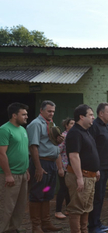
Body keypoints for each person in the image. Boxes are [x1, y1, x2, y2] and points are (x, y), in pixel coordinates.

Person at [27, 100, 63, 232]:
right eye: (49, 111)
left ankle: (46, 222)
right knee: (37, 194)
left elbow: (53, 144)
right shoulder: (35, 124)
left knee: (47, 193)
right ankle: (36, 226)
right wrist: (38, 167)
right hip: (41, 163)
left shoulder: (51, 124)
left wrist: (58, 141)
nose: (51, 113)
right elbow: (33, 147)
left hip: (51, 163)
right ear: (41, 111)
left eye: (53, 111)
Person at [65, 104, 100, 232]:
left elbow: (90, 152)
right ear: (81, 117)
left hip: (90, 176)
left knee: (86, 207)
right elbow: (74, 156)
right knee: (77, 208)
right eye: (90, 115)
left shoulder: (86, 132)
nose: (93, 117)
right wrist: (79, 177)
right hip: (80, 176)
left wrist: (95, 169)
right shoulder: (74, 133)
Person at [0, 103, 30, 233]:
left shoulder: (23, 130)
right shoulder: (4, 130)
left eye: (26, 114)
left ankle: (13, 229)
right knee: (6, 206)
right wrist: (8, 174)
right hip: (10, 175)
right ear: (14, 115)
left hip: (22, 174)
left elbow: (22, 151)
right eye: (23, 114)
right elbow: (2, 154)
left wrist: (26, 170)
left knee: (19, 206)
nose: (26, 117)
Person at [88, 103, 108, 233]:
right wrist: (96, 167)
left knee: (101, 197)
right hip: (97, 169)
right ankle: (92, 226)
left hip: (105, 167)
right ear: (101, 113)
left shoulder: (106, 127)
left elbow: (107, 148)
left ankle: (97, 222)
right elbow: (92, 149)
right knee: (96, 197)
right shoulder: (95, 127)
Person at [55, 117, 74, 219]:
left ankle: (68, 209)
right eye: (71, 123)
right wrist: (60, 168)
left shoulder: (73, 136)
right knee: (62, 188)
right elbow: (57, 151)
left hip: (70, 167)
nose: (73, 125)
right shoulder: (64, 136)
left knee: (68, 189)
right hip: (63, 166)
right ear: (66, 125)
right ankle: (58, 211)